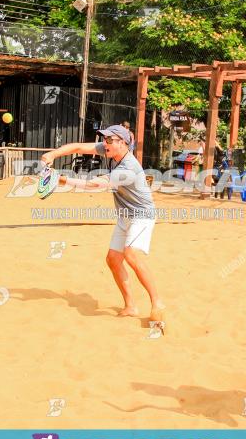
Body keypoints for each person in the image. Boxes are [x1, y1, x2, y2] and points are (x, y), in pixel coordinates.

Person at [40, 125, 165, 323]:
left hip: (142, 216)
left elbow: (95, 185)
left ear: (122, 143)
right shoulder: (110, 150)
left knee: (131, 253)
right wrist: (53, 154)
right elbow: (78, 148)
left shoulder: (129, 168)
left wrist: (60, 180)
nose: (104, 143)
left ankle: (157, 303)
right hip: (125, 215)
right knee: (113, 259)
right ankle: (131, 306)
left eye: (109, 140)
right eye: (104, 139)